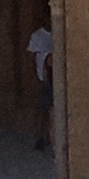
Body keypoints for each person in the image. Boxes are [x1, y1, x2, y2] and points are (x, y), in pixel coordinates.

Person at [27, 16, 53, 150]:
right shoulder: (37, 36)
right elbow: (31, 58)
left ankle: (51, 138)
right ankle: (40, 137)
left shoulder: (57, 35)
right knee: (43, 110)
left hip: (54, 78)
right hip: (43, 79)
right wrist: (36, 78)